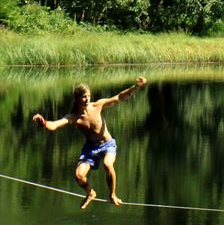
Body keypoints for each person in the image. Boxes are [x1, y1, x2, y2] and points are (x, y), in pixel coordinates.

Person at [32, 77, 147, 208]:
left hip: (108, 144)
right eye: (84, 97)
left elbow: (119, 97)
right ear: (77, 98)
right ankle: (90, 192)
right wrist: (44, 122)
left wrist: (136, 87)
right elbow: (55, 125)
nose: (87, 99)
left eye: (88, 96)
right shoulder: (74, 117)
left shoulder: (97, 106)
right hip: (91, 148)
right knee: (79, 176)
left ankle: (112, 195)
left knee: (108, 164)